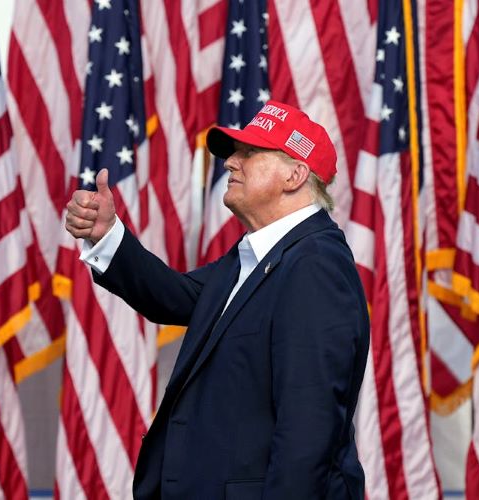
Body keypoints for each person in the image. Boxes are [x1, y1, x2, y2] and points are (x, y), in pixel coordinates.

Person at [65, 101, 369, 499]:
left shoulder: (315, 266)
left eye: (249, 153)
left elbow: (306, 434)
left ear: (295, 175)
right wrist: (107, 236)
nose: (229, 163)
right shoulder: (259, 256)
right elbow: (175, 297)